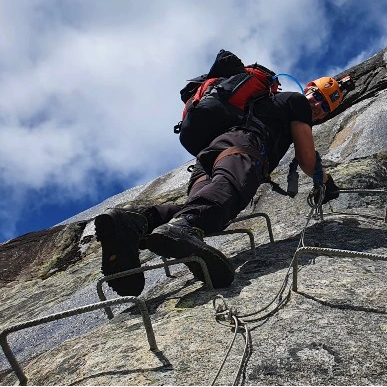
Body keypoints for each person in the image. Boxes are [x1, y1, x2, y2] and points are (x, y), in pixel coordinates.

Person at [95, 51, 351, 296]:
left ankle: (135, 222)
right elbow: (307, 160)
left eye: (326, 107)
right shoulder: (295, 102)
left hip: (210, 154)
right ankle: (186, 228)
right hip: (243, 146)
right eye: (318, 96)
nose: (318, 106)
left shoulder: (263, 103)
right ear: (307, 88)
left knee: (206, 206)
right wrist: (326, 183)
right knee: (215, 204)